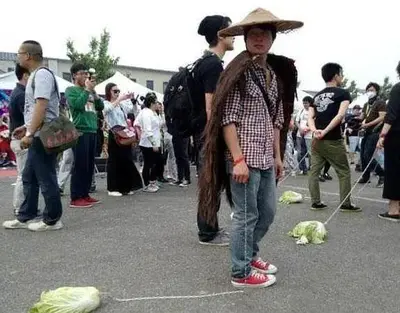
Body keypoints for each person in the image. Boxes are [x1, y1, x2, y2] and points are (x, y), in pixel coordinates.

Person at [198, 8, 302, 288]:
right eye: (253, 34)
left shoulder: (273, 74)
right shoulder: (237, 73)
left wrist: (278, 157)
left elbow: (277, 121)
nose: (259, 39)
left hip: (266, 157)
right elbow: (227, 119)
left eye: (264, 34)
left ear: (272, 39)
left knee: (267, 212)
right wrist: (238, 159)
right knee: (246, 216)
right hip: (243, 158)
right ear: (245, 39)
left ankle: (249, 253)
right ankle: (240, 272)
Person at [3, 40, 63, 231]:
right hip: (37, 132)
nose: (17, 57)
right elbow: (34, 109)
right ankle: (26, 215)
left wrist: (30, 132)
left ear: (28, 56)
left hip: (43, 135)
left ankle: (53, 219)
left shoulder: (42, 75)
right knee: (29, 176)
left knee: (46, 177)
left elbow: (41, 106)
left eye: (19, 53)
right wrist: (25, 126)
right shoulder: (36, 76)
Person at [194, 15, 234, 246]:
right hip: (209, 135)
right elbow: (212, 107)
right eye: (230, 30)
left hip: (203, 134)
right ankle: (207, 233)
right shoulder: (212, 65)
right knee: (209, 184)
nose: (235, 35)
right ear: (220, 34)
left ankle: (211, 229)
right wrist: (218, 138)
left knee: (212, 182)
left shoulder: (205, 61)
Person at [308, 63, 361, 212]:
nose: (342, 77)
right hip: (332, 139)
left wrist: (315, 131)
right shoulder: (343, 93)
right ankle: (346, 204)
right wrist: (324, 131)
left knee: (314, 171)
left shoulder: (317, 96)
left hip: (316, 140)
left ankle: (315, 202)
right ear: (336, 75)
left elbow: (310, 117)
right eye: (341, 74)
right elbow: (340, 115)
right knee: (343, 172)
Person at [65, 63, 103, 208]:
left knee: (89, 165)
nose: (86, 76)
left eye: (87, 73)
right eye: (82, 73)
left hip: (92, 130)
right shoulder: (71, 90)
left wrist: (94, 92)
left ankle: (85, 194)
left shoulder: (89, 92)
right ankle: (75, 197)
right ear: (74, 75)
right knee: (80, 164)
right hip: (80, 130)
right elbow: (77, 105)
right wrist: (87, 89)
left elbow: (100, 107)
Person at [103, 83, 143, 196]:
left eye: (118, 91)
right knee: (114, 161)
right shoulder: (105, 103)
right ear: (108, 92)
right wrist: (119, 99)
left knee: (126, 159)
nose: (117, 93)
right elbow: (106, 110)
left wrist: (133, 100)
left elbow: (133, 111)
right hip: (113, 133)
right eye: (114, 91)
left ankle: (126, 187)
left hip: (124, 133)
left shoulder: (121, 105)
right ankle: (112, 188)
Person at [376, 62, 400, 222]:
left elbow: (391, 115)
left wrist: (382, 136)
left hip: (397, 136)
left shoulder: (398, 88)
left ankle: (393, 209)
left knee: (394, 171)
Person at [8, 63, 30, 213]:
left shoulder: (17, 92)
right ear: (25, 75)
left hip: (18, 139)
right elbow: (28, 119)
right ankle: (20, 208)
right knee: (23, 176)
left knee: (25, 175)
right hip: (21, 140)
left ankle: (23, 207)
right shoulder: (21, 94)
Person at [134, 93, 163, 192]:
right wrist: (153, 143)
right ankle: (147, 184)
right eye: (155, 102)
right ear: (151, 103)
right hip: (148, 143)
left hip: (155, 141)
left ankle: (153, 181)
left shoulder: (153, 112)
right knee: (149, 164)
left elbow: (160, 124)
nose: (157, 104)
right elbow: (147, 128)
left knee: (156, 163)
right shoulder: (146, 113)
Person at [359, 82, 386, 187]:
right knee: (362, 155)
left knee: (368, 155)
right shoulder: (366, 104)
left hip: (375, 131)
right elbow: (362, 116)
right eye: (368, 90)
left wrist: (368, 124)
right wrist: (356, 120)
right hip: (366, 131)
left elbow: (382, 117)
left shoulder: (380, 103)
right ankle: (365, 177)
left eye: (372, 90)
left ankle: (382, 175)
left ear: (376, 91)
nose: (370, 92)